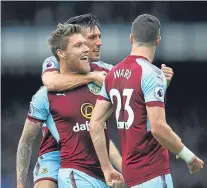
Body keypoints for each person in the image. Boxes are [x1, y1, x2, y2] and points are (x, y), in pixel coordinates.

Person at [89, 14, 204, 188]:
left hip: (131, 176)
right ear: (158, 41)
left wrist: (106, 168)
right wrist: (190, 158)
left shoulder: (112, 74)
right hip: (153, 173)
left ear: (131, 39)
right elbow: (157, 128)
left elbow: (95, 124)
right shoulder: (151, 73)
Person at [26, 23, 124, 188]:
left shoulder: (103, 71)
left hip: (91, 163)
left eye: (99, 37)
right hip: (55, 155)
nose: (98, 43)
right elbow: (50, 82)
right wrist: (91, 77)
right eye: (91, 38)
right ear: (63, 52)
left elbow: (97, 129)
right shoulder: (53, 65)